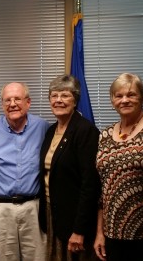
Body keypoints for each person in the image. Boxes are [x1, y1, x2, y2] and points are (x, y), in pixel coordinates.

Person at [94, 73, 143, 261]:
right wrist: (100, 232)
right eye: (118, 96)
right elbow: (102, 188)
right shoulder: (104, 135)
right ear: (112, 100)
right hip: (113, 235)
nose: (124, 100)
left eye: (131, 95)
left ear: (142, 98)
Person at [0, 82, 49, 261]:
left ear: (28, 102)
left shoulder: (43, 128)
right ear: (2, 105)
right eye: (7, 100)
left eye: (17, 98)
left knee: (39, 257)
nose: (12, 104)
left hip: (33, 208)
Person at [39, 75, 100, 261]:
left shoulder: (85, 131)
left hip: (74, 219)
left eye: (65, 95)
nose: (58, 100)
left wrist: (79, 230)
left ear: (75, 100)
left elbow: (90, 185)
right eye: (54, 95)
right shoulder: (50, 131)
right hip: (53, 213)